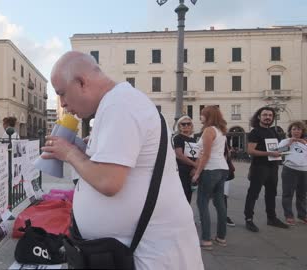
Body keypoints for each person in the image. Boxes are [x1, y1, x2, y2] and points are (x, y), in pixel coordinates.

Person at [42, 51, 203, 270]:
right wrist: (85, 149)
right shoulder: (117, 103)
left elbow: (109, 182)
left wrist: (69, 152)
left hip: (150, 254)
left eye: (62, 94)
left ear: (81, 82)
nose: (62, 103)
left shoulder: (119, 105)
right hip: (138, 249)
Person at [244, 107, 289, 232]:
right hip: (259, 167)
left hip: (273, 168)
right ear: (259, 116)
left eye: (270, 115)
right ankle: (249, 219)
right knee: (253, 194)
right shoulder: (255, 132)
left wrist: (285, 150)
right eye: (264, 115)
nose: (267, 117)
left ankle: (272, 218)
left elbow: (277, 150)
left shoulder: (274, 131)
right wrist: (269, 153)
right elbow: (250, 151)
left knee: (271, 194)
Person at [191, 106, 229, 250]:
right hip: (222, 168)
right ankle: (221, 237)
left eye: (202, 114)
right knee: (220, 203)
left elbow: (206, 155)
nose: (200, 117)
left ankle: (206, 239)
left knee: (202, 202)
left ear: (208, 116)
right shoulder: (221, 131)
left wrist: (197, 173)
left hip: (210, 169)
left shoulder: (209, 130)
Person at [277, 121, 307, 225]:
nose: (296, 131)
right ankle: (289, 215)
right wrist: (290, 143)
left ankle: (302, 215)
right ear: (290, 131)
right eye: (294, 129)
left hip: (304, 171)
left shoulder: (305, 142)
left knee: (302, 195)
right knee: (288, 194)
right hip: (289, 170)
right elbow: (278, 152)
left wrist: (304, 143)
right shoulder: (285, 141)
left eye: (299, 129)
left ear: (302, 131)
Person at [173, 115, 198, 203]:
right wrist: (195, 165)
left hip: (191, 171)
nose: (186, 126)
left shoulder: (193, 140)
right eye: (183, 124)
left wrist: (195, 168)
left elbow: (197, 155)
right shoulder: (178, 138)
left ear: (191, 126)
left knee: (189, 194)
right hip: (181, 170)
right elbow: (179, 155)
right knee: (182, 195)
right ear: (179, 126)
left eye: (188, 124)